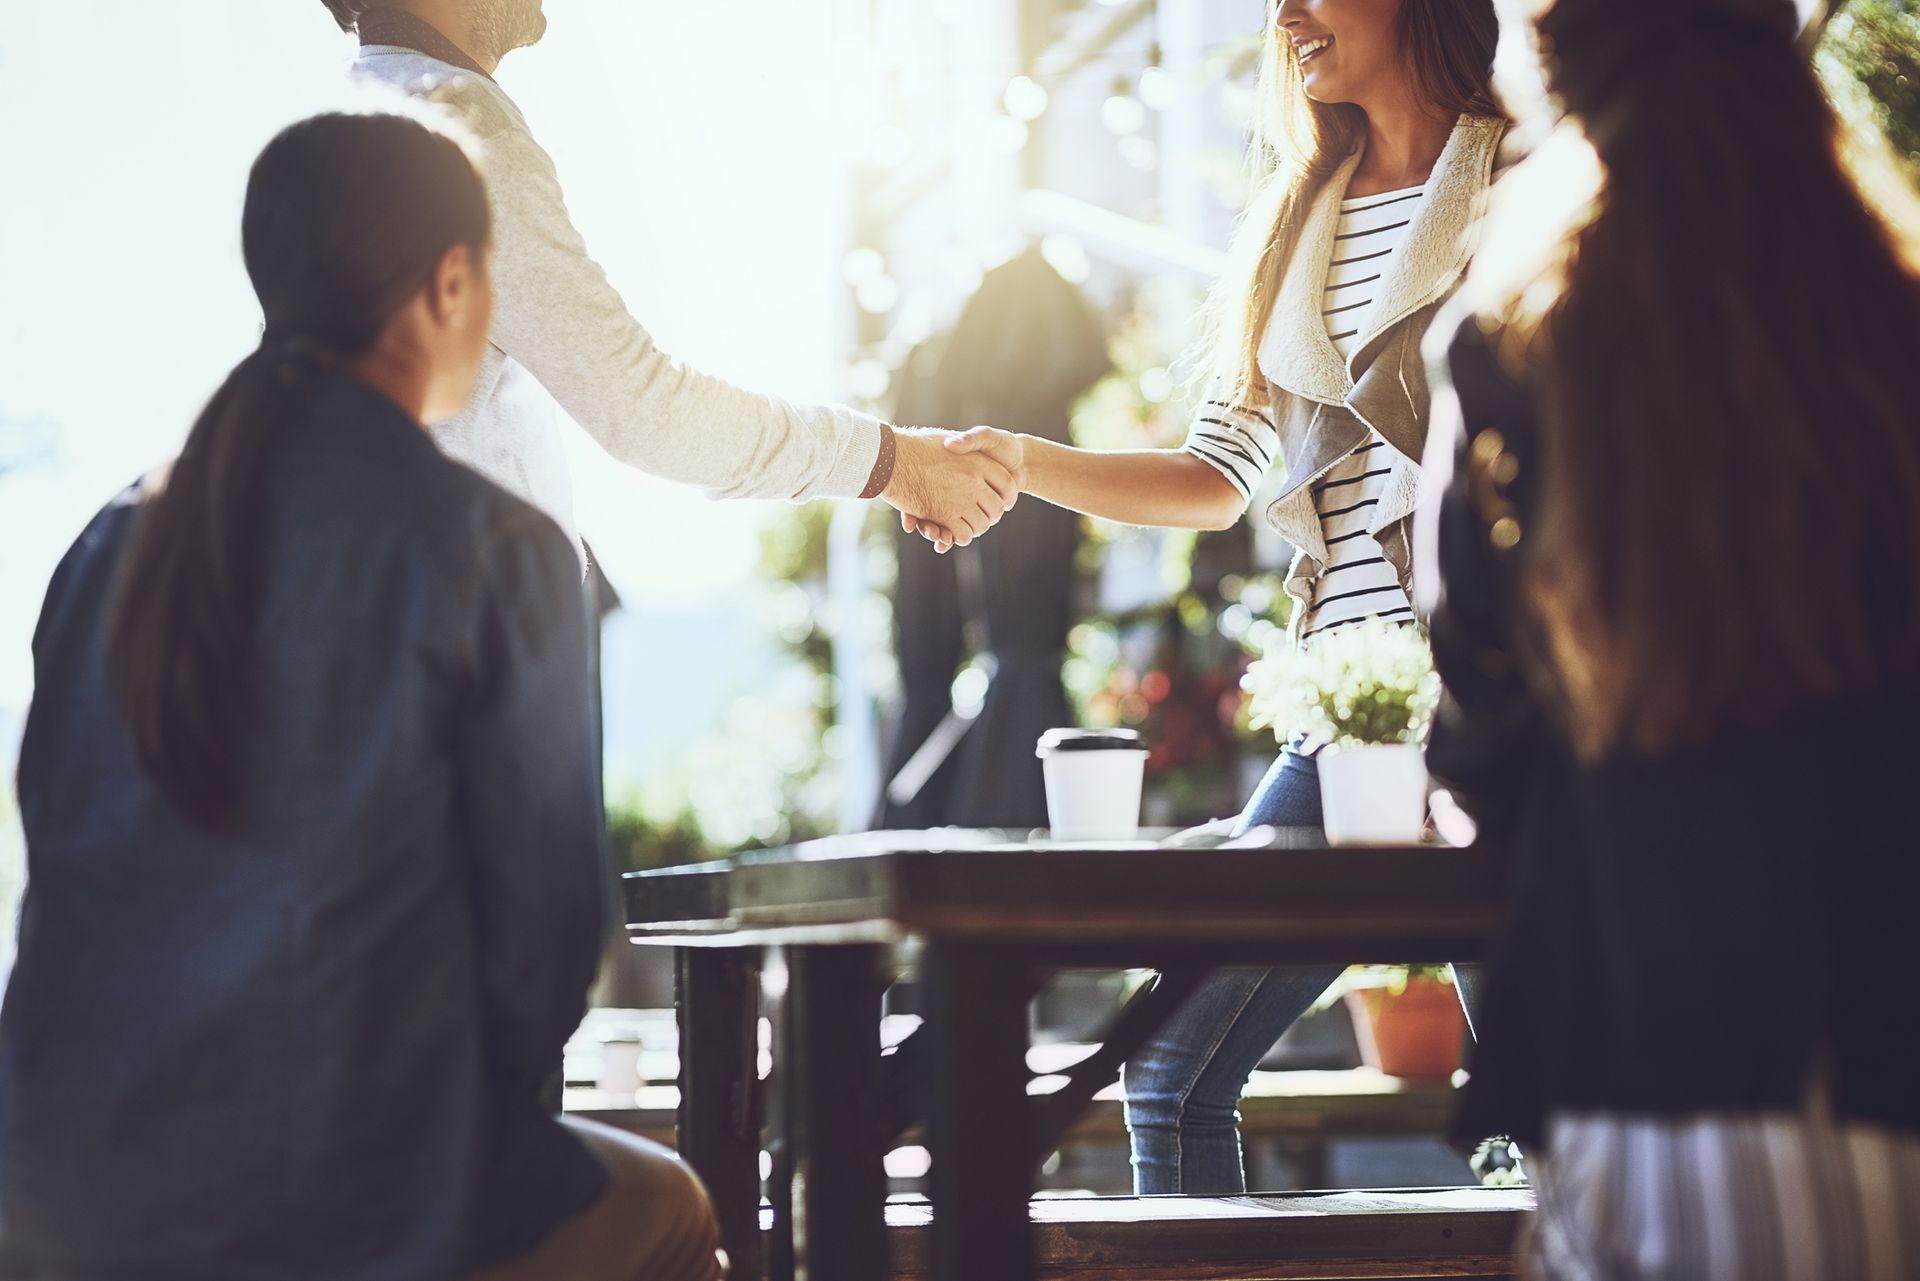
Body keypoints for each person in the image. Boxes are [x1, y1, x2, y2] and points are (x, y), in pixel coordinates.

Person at [0, 112, 722, 1281]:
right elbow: (545, 957)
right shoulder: (497, 545)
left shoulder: (103, 546)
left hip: (49, 1185)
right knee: (675, 1208)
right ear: (450, 284)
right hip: (330, 1204)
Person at [931, 0, 1504, 1194]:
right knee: (1173, 1071)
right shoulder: (1298, 222)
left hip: (1498, 703)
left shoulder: (1523, 179)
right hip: (1353, 709)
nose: (1287, 16)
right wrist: (1025, 461)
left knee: (1536, 1092)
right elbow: (1213, 480)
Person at [1420, 0, 1920, 1273]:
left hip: (1661, 1031)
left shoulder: (1514, 342)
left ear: (1554, 69)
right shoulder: (1889, 310)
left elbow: (1479, 717)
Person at [315, 0, 1014, 558]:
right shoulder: (460, 132)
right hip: (455, 670)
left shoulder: (356, 122)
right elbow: (645, 412)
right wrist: (894, 463)